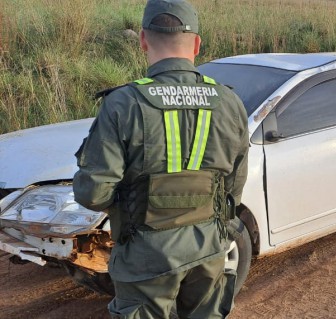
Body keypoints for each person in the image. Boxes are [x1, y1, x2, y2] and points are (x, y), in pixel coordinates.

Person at [72, 0, 249, 317]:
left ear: (142, 40)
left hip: (145, 259)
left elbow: (93, 193)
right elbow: (234, 189)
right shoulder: (230, 101)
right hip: (209, 250)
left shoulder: (122, 103)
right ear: (196, 44)